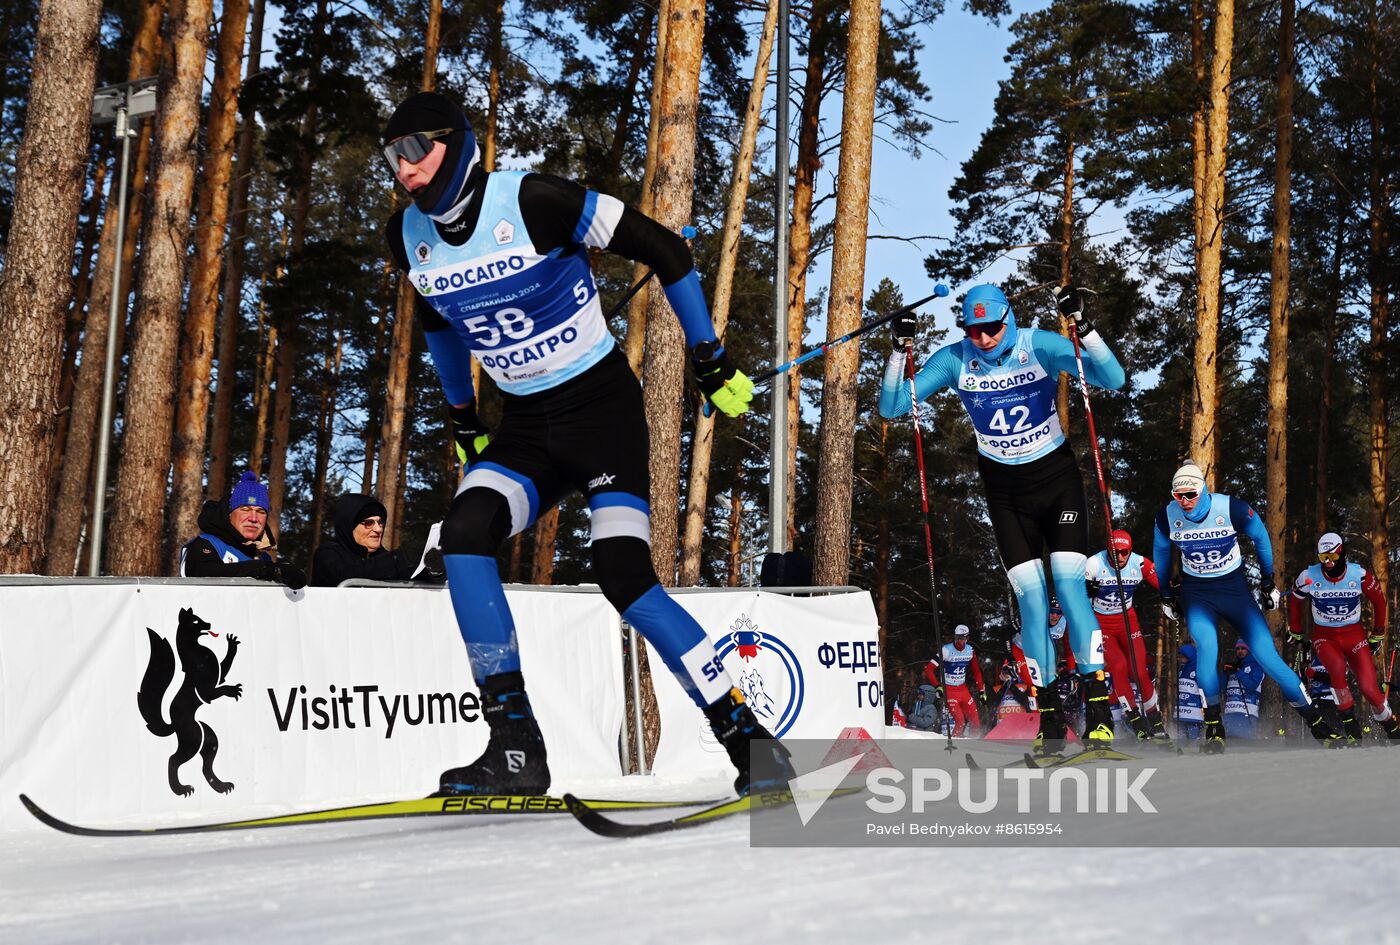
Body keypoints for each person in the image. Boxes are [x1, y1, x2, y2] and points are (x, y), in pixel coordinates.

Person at [381, 92, 782, 797]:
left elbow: (665, 247)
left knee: (623, 575)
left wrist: (709, 356)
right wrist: (463, 418)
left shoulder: (535, 201)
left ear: (457, 142)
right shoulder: (406, 236)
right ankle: (515, 746)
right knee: (465, 532)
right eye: (393, 154)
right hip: (528, 428)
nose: (403, 166)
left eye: (416, 148)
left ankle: (748, 740)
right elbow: (441, 328)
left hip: (602, 413)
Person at [880, 283, 1126, 751]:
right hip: (1005, 493)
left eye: (992, 328)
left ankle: (1098, 707)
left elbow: (1112, 379)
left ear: (1007, 318)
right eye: (974, 330)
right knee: (1031, 607)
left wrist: (1086, 329)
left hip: (1056, 482)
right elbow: (893, 407)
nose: (985, 338)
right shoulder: (955, 360)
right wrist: (898, 352)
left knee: (1070, 591)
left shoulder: (1039, 345)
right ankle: (1049, 715)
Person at [1153, 461, 1338, 752]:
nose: (1185, 502)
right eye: (1179, 496)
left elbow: (1262, 537)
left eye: (1191, 494)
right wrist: (1165, 594)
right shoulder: (1167, 517)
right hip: (1198, 594)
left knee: (1268, 658)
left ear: (1203, 489)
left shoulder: (1231, 508)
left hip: (1235, 591)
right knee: (1207, 651)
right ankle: (1214, 725)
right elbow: (1161, 554)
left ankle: (1316, 722)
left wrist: (1268, 581)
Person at [1289, 532, 1399, 743]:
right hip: (1325, 636)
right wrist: (1296, 630)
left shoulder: (1359, 575)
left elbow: (1379, 601)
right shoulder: (1309, 576)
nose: (1328, 563)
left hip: (1354, 635)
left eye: (1332, 557)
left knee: (1369, 689)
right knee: (1337, 669)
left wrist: (1378, 633)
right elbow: (1294, 600)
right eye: (1323, 558)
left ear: (1342, 554)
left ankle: (1390, 725)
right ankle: (1349, 722)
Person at [1086, 529, 1169, 741]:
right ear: (1108, 549)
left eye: (1125, 552)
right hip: (1101, 623)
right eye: (1116, 552)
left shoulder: (1139, 563)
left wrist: (1175, 596)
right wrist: (1087, 589)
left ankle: (1155, 718)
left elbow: (1163, 583)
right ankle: (1135, 718)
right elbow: (1074, 592)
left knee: (1139, 671)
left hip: (1127, 620)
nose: (1120, 557)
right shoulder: (1094, 564)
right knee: (1119, 667)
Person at [179, 471, 306, 590]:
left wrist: (283, 573)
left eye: (261, 512)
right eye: (245, 509)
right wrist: (264, 570)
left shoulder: (262, 557)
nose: (253, 518)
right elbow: (203, 574)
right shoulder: (206, 544)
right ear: (230, 514)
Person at [312, 493, 419, 586]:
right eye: (368, 523)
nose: (378, 529)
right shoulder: (327, 554)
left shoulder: (381, 555)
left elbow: (405, 573)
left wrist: (425, 567)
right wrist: (399, 559)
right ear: (349, 527)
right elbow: (348, 574)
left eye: (380, 522)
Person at [928, 625, 986, 737]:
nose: (959, 641)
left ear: (967, 638)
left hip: (963, 689)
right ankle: (954, 746)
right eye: (957, 638)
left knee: (976, 722)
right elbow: (929, 669)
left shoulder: (970, 651)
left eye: (962, 638)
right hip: (949, 690)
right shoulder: (946, 650)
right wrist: (938, 686)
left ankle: (976, 745)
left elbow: (977, 672)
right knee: (960, 722)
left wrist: (981, 691)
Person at [1221, 640, 1262, 739]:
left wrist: (1239, 672)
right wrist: (1224, 672)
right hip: (1230, 713)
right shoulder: (1234, 666)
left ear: (1249, 650)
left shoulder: (1256, 666)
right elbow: (1222, 687)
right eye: (1238, 649)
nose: (1240, 651)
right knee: (1230, 746)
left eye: (1243, 648)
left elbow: (1252, 685)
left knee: (1244, 746)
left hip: (1246, 713)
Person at [1176, 644, 1204, 740]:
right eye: (1180, 656)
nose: (1180, 659)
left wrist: (1203, 707)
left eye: (1183, 656)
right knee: (1181, 736)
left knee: (1193, 736)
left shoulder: (1198, 669)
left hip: (1194, 711)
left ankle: (1195, 750)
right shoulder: (1181, 670)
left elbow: (1202, 689)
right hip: (1182, 710)